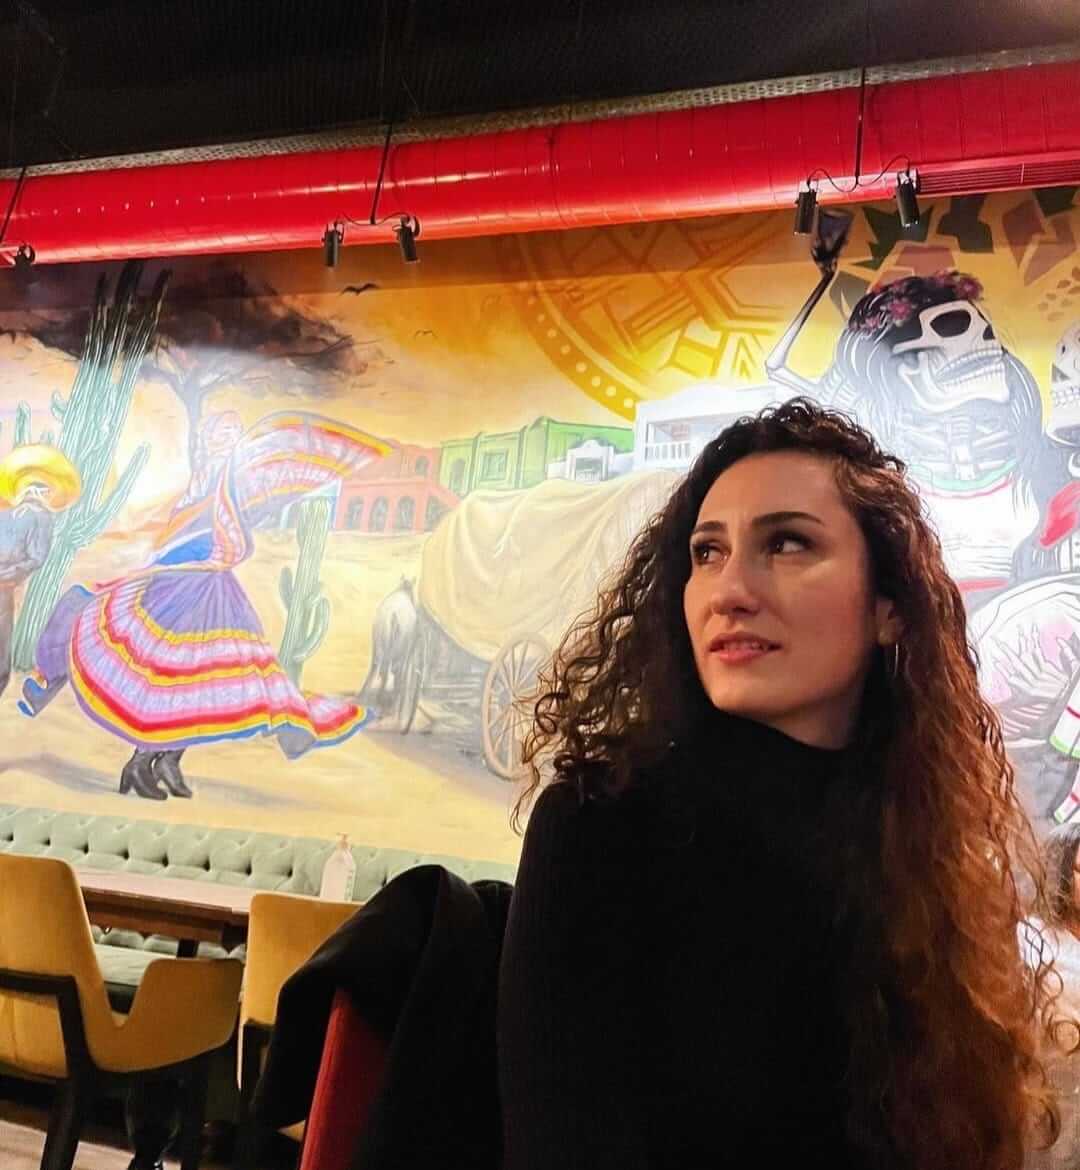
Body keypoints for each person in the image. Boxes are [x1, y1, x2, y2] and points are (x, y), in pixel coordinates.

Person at [498, 398, 1066, 1170]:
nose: (730, 589)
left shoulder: (930, 861)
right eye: (706, 552)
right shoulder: (602, 824)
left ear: (889, 608)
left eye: (788, 543)